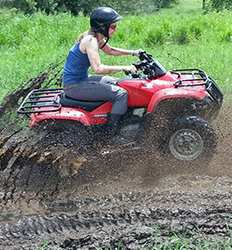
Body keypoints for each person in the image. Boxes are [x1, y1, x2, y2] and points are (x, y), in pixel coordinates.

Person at [63, 7, 141, 134]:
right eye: (113, 26)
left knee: (119, 82)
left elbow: (110, 50)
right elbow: (98, 68)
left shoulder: (96, 37)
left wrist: (134, 52)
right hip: (75, 86)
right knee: (121, 94)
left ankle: (121, 117)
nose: (115, 29)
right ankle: (110, 132)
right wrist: (125, 67)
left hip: (81, 79)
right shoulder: (90, 41)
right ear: (102, 26)